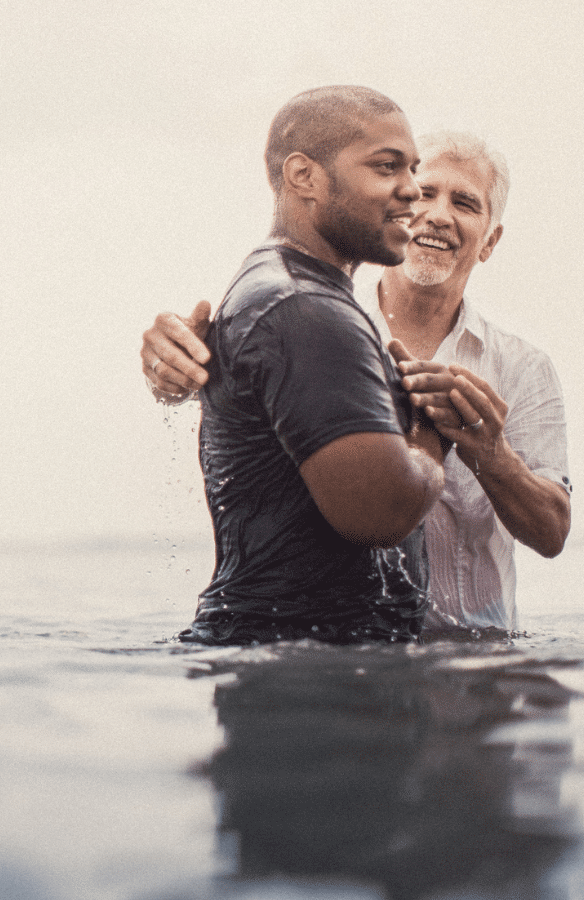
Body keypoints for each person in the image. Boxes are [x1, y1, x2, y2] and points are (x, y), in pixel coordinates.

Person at [143, 130, 571, 635]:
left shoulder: (523, 367)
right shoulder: (308, 327)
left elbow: (552, 532)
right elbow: (222, 386)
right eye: (425, 193)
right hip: (347, 655)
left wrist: (490, 452)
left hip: (480, 662)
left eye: (465, 203)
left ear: (489, 243)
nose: (437, 214)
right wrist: (172, 367)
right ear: (397, 206)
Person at [170, 86, 449, 646]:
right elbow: (378, 512)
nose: (413, 190)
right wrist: (434, 432)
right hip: (305, 668)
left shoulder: (284, 292)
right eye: (386, 166)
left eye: (413, 168)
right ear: (304, 176)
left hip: (281, 657)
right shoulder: (304, 308)